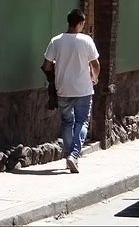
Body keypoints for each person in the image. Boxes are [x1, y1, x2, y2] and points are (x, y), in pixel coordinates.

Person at [42, 9, 100, 174]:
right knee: (82, 122)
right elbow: (95, 64)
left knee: (67, 122)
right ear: (80, 23)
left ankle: (68, 155)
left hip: (63, 89)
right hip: (83, 89)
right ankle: (74, 155)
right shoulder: (86, 41)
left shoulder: (56, 41)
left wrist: (55, 75)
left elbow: (46, 65)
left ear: (69, 22)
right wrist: (94, 79)